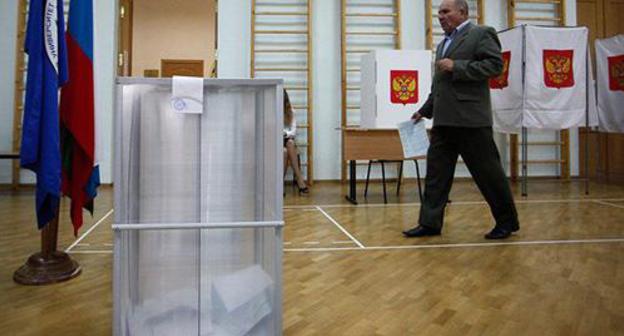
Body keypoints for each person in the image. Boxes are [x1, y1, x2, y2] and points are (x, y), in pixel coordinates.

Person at [402, 0, 519, 239]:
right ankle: (430, 223)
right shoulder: (443, 43)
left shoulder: (481, 33)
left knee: (488, 174)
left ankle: (507, 222)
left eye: (446, 12)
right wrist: (424, 110)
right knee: (436, 175)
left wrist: (458, 66)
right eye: (439, 13)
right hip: (444, 122)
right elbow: (440, 86)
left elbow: (495, 66)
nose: (441, 17)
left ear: (463, 12)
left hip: (471, 120)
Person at [283, 90, 309, 194]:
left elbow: (293, 131)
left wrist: (285, 134)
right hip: (276, 141)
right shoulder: (272, 111)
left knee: (290, 143)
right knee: (284, 152)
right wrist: (285, 133)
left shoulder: (292, 112)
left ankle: (299, 179)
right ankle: (299, 182)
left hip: (288, 139)